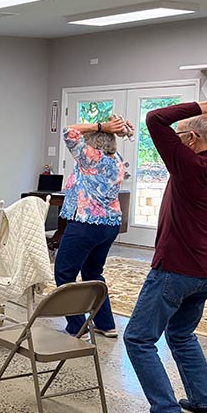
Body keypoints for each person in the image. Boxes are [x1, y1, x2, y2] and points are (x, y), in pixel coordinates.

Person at [123, 87, 207, 413]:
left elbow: (154, 119)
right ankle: (205, 403)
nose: (176, 139)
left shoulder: (188, 164)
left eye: (182, 135)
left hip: (175, 268)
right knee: (181, 334)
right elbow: (204, 132)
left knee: (138, 338)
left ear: (192, 138)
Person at [55, 116, 132, 338]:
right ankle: (106, 324)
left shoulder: (89, 158)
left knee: (64, 272)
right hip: (109, 225)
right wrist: (116, 128)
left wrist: (101, 126)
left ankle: (77, 325)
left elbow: (69, 130)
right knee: (93, 273)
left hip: (85, 224)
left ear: (90, 141)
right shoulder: (116, 160)